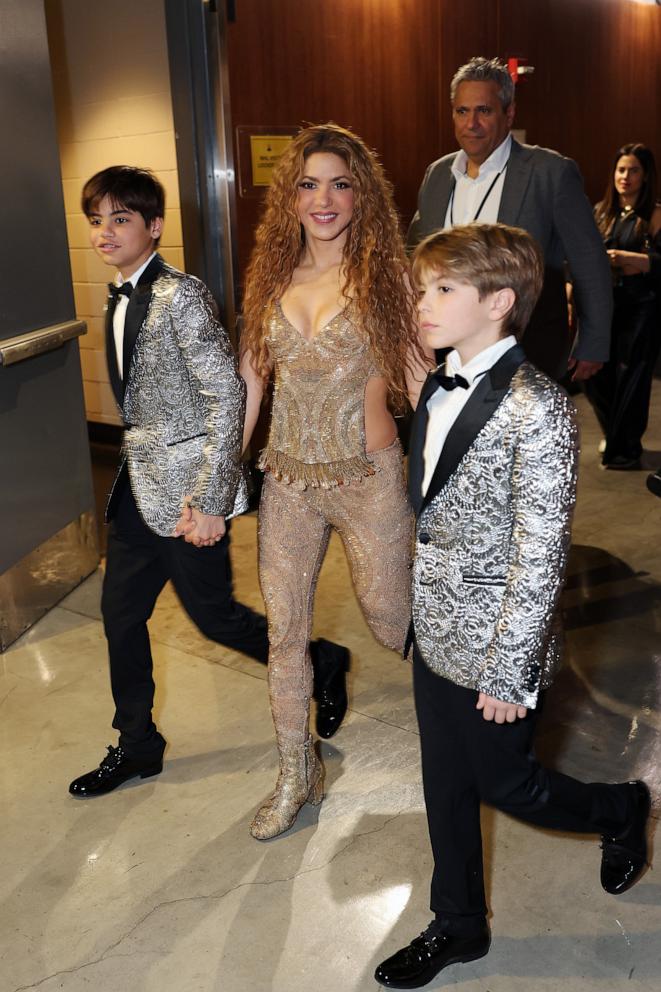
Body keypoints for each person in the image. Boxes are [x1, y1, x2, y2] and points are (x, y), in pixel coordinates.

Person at [374, 223, 651, 990]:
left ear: (498, 302)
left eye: (441, 290)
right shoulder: (436, 381)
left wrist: (509, 671)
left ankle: (617, 808)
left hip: (499, 642)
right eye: (422, 286)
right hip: (434, 630)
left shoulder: (540, 410)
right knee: (443, 782)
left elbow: (538, 558)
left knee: (508, 784)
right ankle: (458, 923)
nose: (421, 302)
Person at [69, 166, 347, 799]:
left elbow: (226, 397)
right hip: (137, 489)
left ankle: (322, 661)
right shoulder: (117, 294)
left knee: (215, 619)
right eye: (96, 220)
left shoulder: (180, 297)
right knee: (120, 617)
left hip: (190, 494)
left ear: (154, 227)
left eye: (120, 219)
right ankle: (138, 742)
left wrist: (212, 499)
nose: (105, 232)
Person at [240, 123, 432, 840]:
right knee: (284, 632)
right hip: (286, 480)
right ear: (290, 197)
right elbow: (250, 382)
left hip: (368, 477)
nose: (323, 198)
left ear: (362, 197)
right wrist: (219, 477)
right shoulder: (268, 277)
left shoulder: (391, 279)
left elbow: (421, 384)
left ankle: (484, 703)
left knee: (390, 619)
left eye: (340, 183)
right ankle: (297, 770)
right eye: (308, 183)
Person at [407, 56, 612, 383]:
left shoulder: (550, 174)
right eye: (462, 111)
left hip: (526, 350)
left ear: (509, 114)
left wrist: (594, 342)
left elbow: (589, 262)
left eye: (484, 111)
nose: (471, 123)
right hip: (447, 353)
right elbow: (415, 257)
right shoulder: (437, 175)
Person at [584, 143, 661, 470]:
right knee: (593, 374)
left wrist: (632, 259)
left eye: (633, 171)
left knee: (633, 376)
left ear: (645, 177)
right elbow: (580, 259)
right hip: (605, 305)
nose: (625, 177)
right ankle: (617, 435)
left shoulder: (654, 214)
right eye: (621, 169)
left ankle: (624, 448)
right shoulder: (602, 212)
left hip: (643, 306)